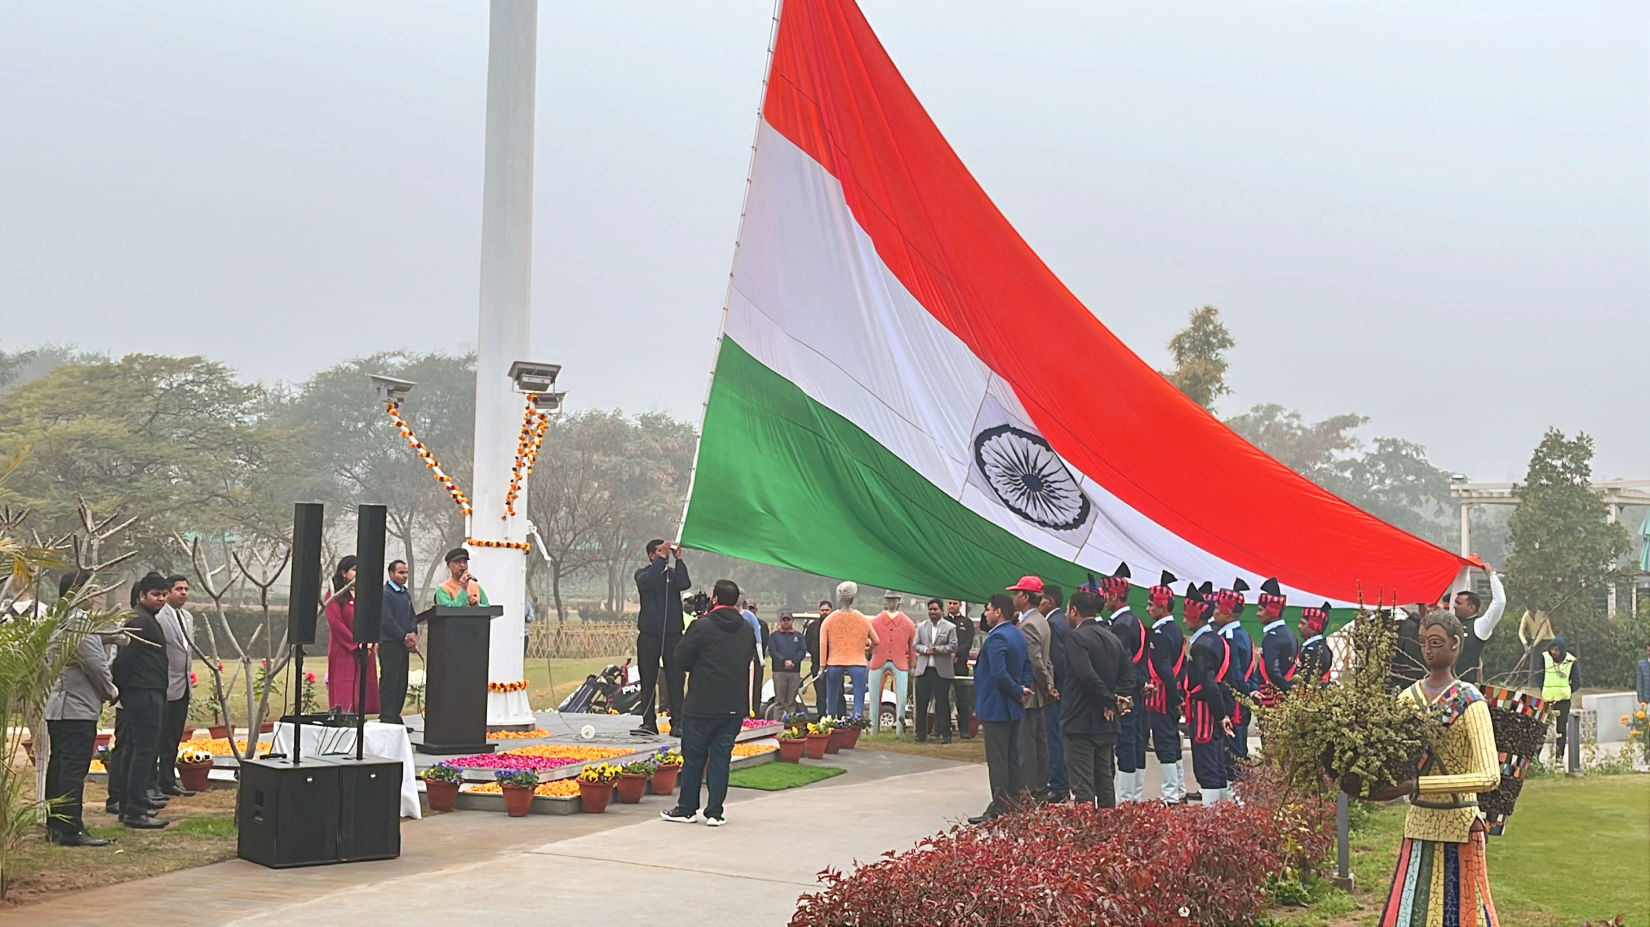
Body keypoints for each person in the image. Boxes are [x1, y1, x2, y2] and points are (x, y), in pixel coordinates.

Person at [1371, 611, 1502, 926]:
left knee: (1463, 909)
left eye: (1436, 643)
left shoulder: (1470, 701)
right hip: (1419, 822)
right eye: (1423, 643)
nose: (1428, 650)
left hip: (1460, 821)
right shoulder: (1407, 699)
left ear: (1455, 645)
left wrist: (1417, 786)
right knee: (1412, 907)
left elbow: (1489, 775)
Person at [661, 578, 756, 827]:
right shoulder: (746, 628)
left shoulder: (701, 627)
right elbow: (748, 658)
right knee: (721, 756)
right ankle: (715, 812)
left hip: (702, 703)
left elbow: (680, 659)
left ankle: (687, 808)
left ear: (714, 598)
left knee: (694, 757)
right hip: (733, 703)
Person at [44, 570, 117, 846]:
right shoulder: (79, 624)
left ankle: (55, 825)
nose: (96, 596)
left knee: (59, 767)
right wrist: (110, 691)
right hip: (77, 707)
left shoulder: (56, 620)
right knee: (73, 769)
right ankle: (71, 828)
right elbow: (96, 666)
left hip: (57, 707)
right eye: (92, 590)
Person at [1062, 589, 1134, 808]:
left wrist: (1109, 700)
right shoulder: (1112, 637)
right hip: (1107, 723)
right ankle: (1108, 832)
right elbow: (1130, 675)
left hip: (1081, 722)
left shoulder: (1077, 637)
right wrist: (1114, 698)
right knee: (1104, 782)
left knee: (1083, 785)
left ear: (1074, 611)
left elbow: (1086, 674)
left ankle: (1088, 836)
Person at [110, 573, 172, 828]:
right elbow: (124, 659)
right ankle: (135, 809)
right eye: (156, 594)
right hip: (142, 692)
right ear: (142, 595)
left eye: (163, 594)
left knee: (137, 749)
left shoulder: (147, 619)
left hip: (146, 690)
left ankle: (130, 806)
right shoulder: (138, 619)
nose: (161, 599)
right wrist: (120, 688)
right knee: (143, 750)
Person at [969, 593, 1031, 824]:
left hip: (997, 706)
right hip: (1013, 706)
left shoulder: (997, 638)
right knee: (1012, 757)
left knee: (998, 761)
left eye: (987, 609)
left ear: (998, 612)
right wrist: (1024, 688)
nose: (985, 613)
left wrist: (1017, 690)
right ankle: (1013, 802)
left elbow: (998, 673)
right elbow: (1027, 665)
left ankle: (999, 806)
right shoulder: (1017, 634)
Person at [1099, 563, 1148, 802]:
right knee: (1135, 741)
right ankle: (1134, 794)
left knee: (1127, 743)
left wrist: (1119, 693)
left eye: (1107, 593)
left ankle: (1128, 796)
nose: (1104, 598)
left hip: (1126, 691)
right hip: (1135, 688)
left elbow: (1121, 661)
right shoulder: (1132, 620)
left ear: (1116, 595)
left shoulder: (1122, 624)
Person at [1183, 582, 1235, 805]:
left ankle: (1211, 819)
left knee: (1207, 766)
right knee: (1216, 763)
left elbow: (1209, 683)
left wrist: (1220, 714)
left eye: (1187, 616)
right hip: (1213, 705)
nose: (1184, 620)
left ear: (1197, 618)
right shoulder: (1215, 638)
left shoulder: (1203, 645)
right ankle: (1223, 814)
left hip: (1206, 710)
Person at [633, 539, 690, 736]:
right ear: (651, 555)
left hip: (673, 635)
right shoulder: (643, 574)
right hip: (649, 635)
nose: (664, 553)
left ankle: (678, 723)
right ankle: (649, 722)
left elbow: (685, 583)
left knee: (675, 680)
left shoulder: (672, 576)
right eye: (659, 551)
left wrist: (678, 560)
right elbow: (646, 582)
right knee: (648, 679)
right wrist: (660, 560)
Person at [1143, 571, 1187, 803]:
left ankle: (1171, 794)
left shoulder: (1160, 633)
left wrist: (1175, 696)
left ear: (1162, 607)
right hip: (1172, 690)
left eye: (1151, 605)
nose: (1148, 608)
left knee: (1164, 743)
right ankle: (1178, 789)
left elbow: (1164, 669)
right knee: (1172, 741)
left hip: (1163, 695)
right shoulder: (1176, 629)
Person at [1007, 577, 1052, 800]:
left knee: (1026, 747)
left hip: (1030, 693)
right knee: (1037, 746)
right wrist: (1049, 686)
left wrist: (1046, 686)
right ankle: (1038, 788)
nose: (1013, 597)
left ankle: (1028, 792)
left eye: (1017, 593)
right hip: (1039, 693)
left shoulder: (1030, 624)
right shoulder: (1041, 620)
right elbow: (1046, 661)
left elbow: (1035, 662)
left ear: (1025, 597)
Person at [154, 574, 196, 797]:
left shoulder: (187, 617)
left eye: (186, 589)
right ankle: (153, 782)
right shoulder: (159, 617)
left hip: (183, 686)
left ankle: (168, 781)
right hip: (164, 686)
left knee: (173, 736)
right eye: (178, 589)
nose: (183, 593)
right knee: (158, 736)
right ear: (168, 592)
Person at [325, 555, 379, 715]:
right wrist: (355, 644)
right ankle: (345, 716)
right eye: (355, 570)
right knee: (345, 685)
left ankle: (362, 715)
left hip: (366, 648)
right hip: (343, 649)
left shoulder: (365, 594)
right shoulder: (335, 594)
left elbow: (373, 618)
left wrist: (370, 641)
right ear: (343, 573)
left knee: (365, 684)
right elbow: (336, 623)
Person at [1214, 579, 1256, 774]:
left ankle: (1237, 800)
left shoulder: (1230, 637)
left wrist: (1243, 695)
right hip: (1239, 700)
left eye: (1217, 608)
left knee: (1232, 755)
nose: (1213, 612)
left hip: (1233, 703)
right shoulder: (1244, 634)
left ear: (1228, 612)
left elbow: (1235, 674)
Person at [820, 583, 877, 719]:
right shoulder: (862, 619)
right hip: (858, 662)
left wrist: (822, 666)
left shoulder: (829, 619)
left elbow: (823, 643)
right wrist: (866, 647)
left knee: (832, 696)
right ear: (853, 597)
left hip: (834, 661)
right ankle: (856, 720)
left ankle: (830, 720)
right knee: (859, 696)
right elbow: (876, 640)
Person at [1038, 584, 1070, 802]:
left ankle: (1058, 785)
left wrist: (1052, 686)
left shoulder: (1053, 623)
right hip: (1064, 689)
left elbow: (1056, 659)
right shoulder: (1062, 621)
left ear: (1048, 601)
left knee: (1054, 737)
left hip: (1056, 690)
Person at [867, 593, 916, 736]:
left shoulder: (907, 623)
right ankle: (873, 729)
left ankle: (900, 730)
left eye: (894, 600)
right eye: (889, 599)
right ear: (885, 601)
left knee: (901, 697)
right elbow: (868, 641)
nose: (892, 602)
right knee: (874, 696)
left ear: (899, 601)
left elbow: (911, 646)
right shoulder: (875, 621)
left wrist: (912, 664)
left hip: (900, 662)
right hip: (877, 661)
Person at [378, 559, 418, 725]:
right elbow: (387, 620)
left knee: (402, 681)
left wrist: (413, 633)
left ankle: (396, 714)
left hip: (403, 645)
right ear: (391, 573)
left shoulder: (405, 593)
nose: (404, 576)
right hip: (390, 644)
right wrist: (404, 637)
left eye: (406, 573)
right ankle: (387, 716)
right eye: (401, 572)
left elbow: (412, 616)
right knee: (390, 680)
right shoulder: (385, 593)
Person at [1452, 563, 1506, 685]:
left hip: (1465, 688)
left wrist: (1491, 575)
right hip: (1443, 684)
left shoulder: (1479, 626)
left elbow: (1500, 602)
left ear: (1472, 607)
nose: (1454, 606)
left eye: (1458, 603)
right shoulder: (1451, 623)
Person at [913, 599, 956, 743]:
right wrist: (925, 649)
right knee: (921, 703)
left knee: (942, 703)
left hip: (941, 671)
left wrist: (937, 650)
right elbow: (915, 645)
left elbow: (953, 646)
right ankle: (920, 734)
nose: (932, 612)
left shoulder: (950, 627)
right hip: (924, 670)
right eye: (930, 609)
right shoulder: (921, 626)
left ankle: (945, 734)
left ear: (941, 610)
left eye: (935, 609)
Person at [1256, 578, 1298, 704]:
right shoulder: (1290, 634)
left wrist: (1285, 688)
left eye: (1261, 609)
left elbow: (1272, 670)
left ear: (1272, 612)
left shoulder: (1272, 637)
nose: (1258, 614)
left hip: (1271, 696)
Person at [1542, 637, 1580, 764]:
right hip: (1547, 700)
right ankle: (1535, 759)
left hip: (1563, 701)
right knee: (1541, 729)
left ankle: (1559, 758)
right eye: (1552, 649)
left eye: (1557, 650)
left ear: (1562, 650)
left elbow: (1577, 682)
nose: (1554, 652)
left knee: (1561, 730)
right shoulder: (1544, 658)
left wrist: (1567, 691)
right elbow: (1538, 676)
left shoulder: (1571, 661)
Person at [767, 610, 807, 717]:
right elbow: (772, 650)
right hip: (779, 671)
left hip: (794, 672)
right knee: (779, 700)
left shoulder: (798, 636)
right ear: (780, 621)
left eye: (788, 620)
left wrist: (793, 661)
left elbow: (802, 651)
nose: (786, 622)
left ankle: (790, 724)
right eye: (783, 620)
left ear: (792, 621)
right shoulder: (774, 636)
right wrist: (784, 661)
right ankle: (777, 724)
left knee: (791, 701)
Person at [947, 599, 975, 739]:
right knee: (942, 697)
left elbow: (968, 643)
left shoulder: (967, 623)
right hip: (944, 664)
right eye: (950, 603)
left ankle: (964, 729)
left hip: (961, 664)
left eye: (955, 603)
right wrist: (948, 654)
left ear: (960, 605)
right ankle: (942, 728)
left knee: (963, 699)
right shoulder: (943, 621)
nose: (952, 606)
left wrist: (957, 654)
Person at [1295, 602, 1334, 685]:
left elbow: (1308, 679)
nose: (1299, 626)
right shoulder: (1315, 646)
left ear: (1313, 628)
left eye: (1303, 623)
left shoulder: (1315, 650)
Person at [805, 600, 829, 717]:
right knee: (820, 694)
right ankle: (821, 717)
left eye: (827, 610)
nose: (824, 612)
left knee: (836, 693)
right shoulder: (813, 627)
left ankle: (838, 718)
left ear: (831, 611)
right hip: (816, 665)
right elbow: (807, 643)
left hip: (832, 666)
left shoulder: (836, 626)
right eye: (822, 610)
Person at [1636, 641, 1650, 708]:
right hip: (1646, 700)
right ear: (1646, 651)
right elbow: (1639, 682)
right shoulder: (1641, 664)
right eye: (1649, 650)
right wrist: (1640, 697)